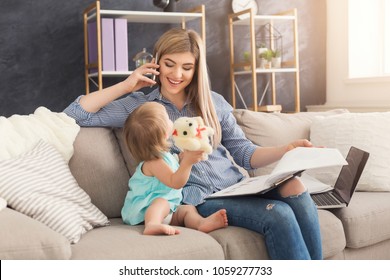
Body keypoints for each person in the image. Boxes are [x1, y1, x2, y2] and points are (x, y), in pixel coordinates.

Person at [64, 28, 323, 259]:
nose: (177, 74)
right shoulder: (142, 106)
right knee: (278, 214)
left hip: (238, 186)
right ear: (156, 63)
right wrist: (126, 85)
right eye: (169, 64)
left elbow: (245, 154)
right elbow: (75, 114)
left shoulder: (213, 101)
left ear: (196, 69)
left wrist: (287, 150)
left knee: (294, 185)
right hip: (201, 199)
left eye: (187, 67)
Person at [121, 101, 228, 235]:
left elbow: (173, 167)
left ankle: (201, 223)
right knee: (161, 202)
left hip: (167, 209)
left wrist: (183, 158)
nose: (171, 120)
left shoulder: (165, 156)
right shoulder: (153, 163)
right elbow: (175, 182)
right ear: (164, 135)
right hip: (143, 211)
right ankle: (152, 224)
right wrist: (187, 163)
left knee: (188, 210)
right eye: (167, 118)